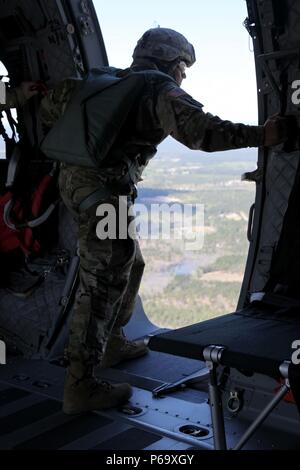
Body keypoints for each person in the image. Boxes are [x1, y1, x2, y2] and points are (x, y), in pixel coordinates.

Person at [38, 28, 288, 414]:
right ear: (172, 64)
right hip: (104, 193)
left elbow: (48, 108)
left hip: (74, 183)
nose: (183, 77)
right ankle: (80, 384)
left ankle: (114, 342)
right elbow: (201, 132)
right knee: (104, 275)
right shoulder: (157, 88)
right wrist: (262, 135)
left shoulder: (102, 80)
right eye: (183, 70)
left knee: (128, 260)